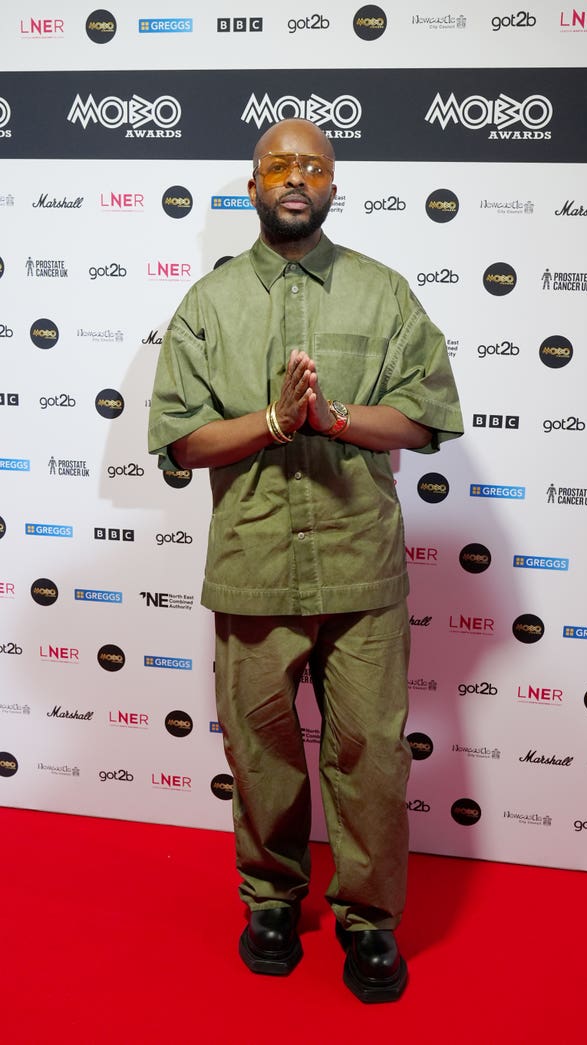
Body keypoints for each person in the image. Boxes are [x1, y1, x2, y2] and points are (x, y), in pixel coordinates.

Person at [148, 118, 463, 1003]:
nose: (296, 177)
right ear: (252, 188)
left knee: (371, 757)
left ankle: (370, 922)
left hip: (362, 573)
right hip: (252, 570)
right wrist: (275, 423)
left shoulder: (384, 294)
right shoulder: (208, 305)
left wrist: (335, 418)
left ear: (333, 185)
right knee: (263, 755)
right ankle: (271, 900)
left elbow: (427, 418)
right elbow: (181, 436)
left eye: (313, 165)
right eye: (278, 165)